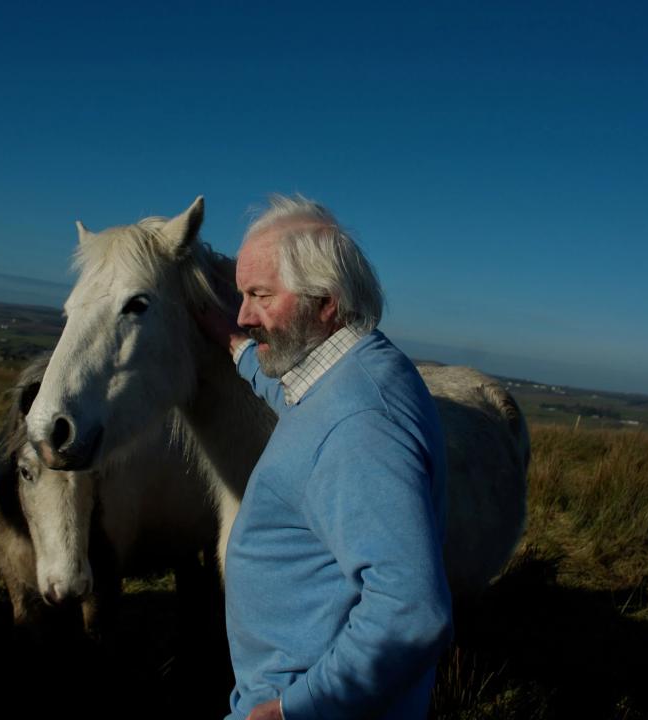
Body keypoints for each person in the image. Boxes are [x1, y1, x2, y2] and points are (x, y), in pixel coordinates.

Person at [199, 195, 452, 720]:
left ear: (326, 302)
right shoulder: (354, 368)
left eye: (260, 295)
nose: (244, 314)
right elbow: (299, 398)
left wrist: (298, 707)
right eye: (242, 296)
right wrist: (236, 346)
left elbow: (411, 612)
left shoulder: (360, 426)